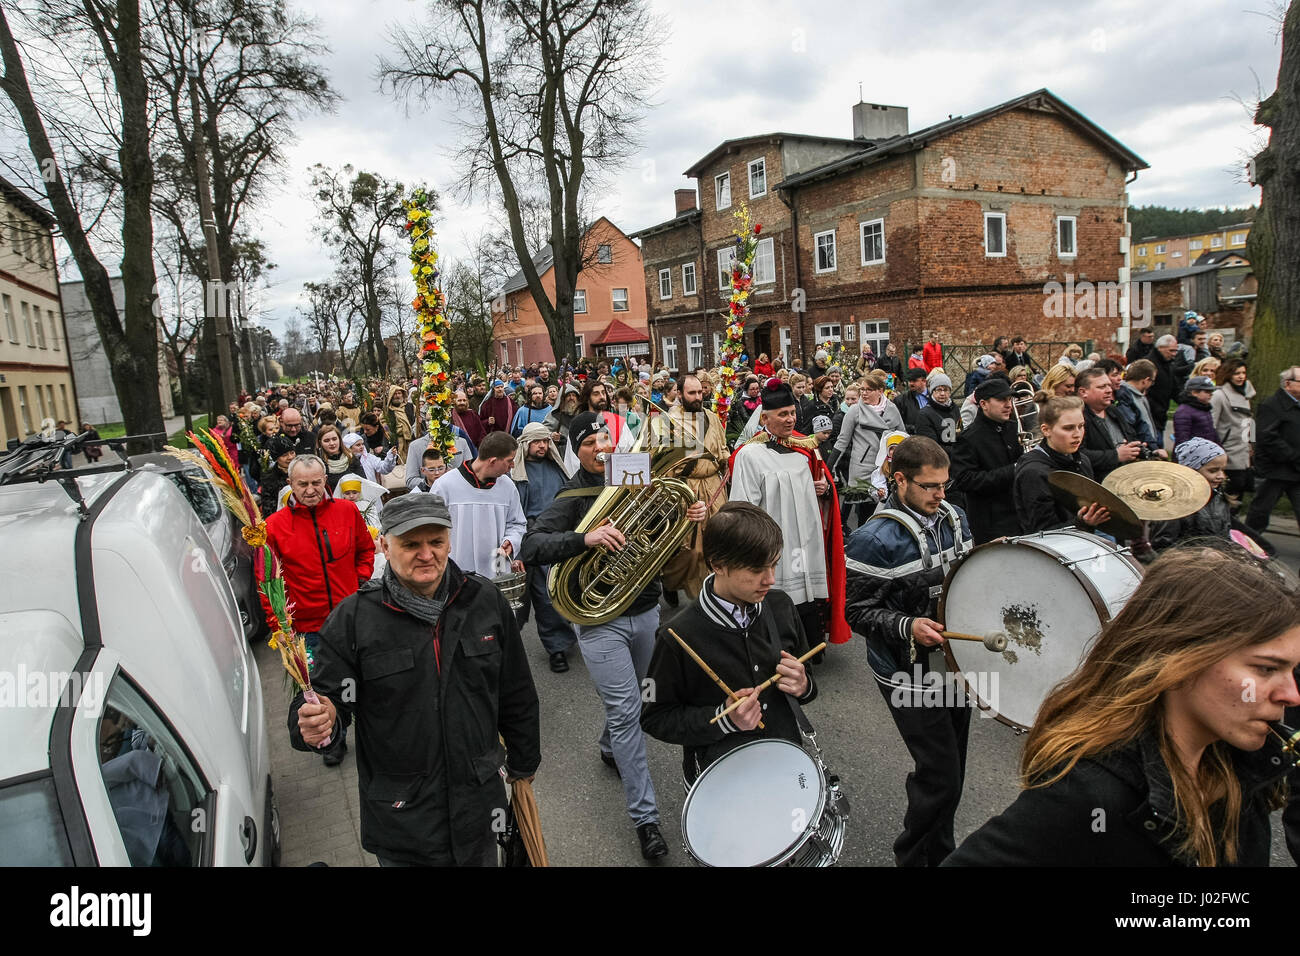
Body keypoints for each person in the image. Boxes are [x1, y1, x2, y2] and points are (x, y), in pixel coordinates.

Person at [945, 546, 1300, 866]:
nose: (1292, 695)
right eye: (1267, 669)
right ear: (1179, 658)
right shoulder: (1089, 796)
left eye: (1292, 670)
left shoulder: (1242, 763)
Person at [290, 492, 540, 866]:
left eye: (436, 542)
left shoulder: (485, 601)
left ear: (448, 541)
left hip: (478, 808)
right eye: (411, 544)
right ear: (384, 546)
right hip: (403, 820)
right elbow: (325, 700)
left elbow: (515, 692)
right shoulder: (354, 619)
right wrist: (318, 722)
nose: (427, 554)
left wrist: (523, 765)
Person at [520, 413, 707, 860]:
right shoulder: (573, 494)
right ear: (577, 449)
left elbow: (660, 534)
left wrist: (689, 514)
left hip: (644, 612)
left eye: (605, 437)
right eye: (589, 442)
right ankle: (647, 820)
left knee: (641, 698)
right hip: (599, 620)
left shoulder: (635, 476)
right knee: (627, 712)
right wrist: (585, 538)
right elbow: (531, 545)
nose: (600, 446)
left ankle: (609, 746)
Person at [844, 436, 973, 866]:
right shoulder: (872, 540)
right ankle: (915, 858)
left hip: (954, 665)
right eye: (930, 486)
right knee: (940, 776)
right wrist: (908, 625)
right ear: (899, 480)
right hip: (906, 672)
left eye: (944, 485)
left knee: (951, 771)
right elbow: (856, 613)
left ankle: (939, 852)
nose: (941, 495)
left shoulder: (955, 518)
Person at [641, 502, 816, 787]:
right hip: (719, 780)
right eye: (757, 569)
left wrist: (803, 685)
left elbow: (805, 680)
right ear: (718, 564)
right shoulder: (675, 635)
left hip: (785, 763)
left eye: (774, 564)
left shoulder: (781, 606)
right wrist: (722, 719)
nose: (770, 579)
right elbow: (654, 717)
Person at [268, 455, 376, 766]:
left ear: (325, 481)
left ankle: (370, 732)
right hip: (309, 629)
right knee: (319, 688)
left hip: (351, 619)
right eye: (303, 484)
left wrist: (359, 581)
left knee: (360, 681)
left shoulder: (346, 511)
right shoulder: (274, 527)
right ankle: (333, 740)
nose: (311, 489)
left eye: (317, 482)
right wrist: (280, 627)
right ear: (290, 484)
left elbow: (365, 549)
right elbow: (269, 584)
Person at [730, 378, 851, 648]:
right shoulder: (749, 455)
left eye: (793, 413)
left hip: (806, 540)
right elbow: (743, 507)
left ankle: (811, 645)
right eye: (782, 414)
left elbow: (821, 489)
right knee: (779, 595)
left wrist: (825, 490)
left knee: (808, 590)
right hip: (775, 543)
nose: (790, 419)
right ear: (764, 418)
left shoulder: (804, 449)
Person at [655, 374, 729, 600]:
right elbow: (662, 465)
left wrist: (726, 458)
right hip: (687, 489)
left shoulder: (711, 417)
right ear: (679, 394)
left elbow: (722, 446)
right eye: (692, 393)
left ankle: (716, 596)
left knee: (719, 543)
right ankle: (681, 588)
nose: (698, 397)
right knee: (692, 549)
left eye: (700, 392)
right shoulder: (668, 422)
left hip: (714, 487)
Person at [510, 422, 576, 672]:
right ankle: (557, 648)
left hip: (563, 534)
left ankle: (573, 633)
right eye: (537, 441)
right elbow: (515, 515)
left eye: (545, 441)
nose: (542, 446)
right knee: (545, 596)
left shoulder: (555, 468)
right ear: (526, 444)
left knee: (568, 587)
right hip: (535, 538)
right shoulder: (518, 475)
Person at [431, 431, 528, 581]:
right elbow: (431, 529)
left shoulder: (507, 486)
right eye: (510, 460)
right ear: (493, 461)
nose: (512, 465)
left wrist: (511, 541)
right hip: (457, 570)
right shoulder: (445, 485)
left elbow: (517, 523)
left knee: (494, 601)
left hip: (497, 568)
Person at [1014, 396, 1112, 534]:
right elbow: (1041, 531)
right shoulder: (1033, 472)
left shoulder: (1082, 460)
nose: (1077, 434)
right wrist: (1082, 523)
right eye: (1068, 428)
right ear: (1046, 430)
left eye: (1081, 426)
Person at [949, 377, 1023, 543]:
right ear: (983, 404)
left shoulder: (1014, 428)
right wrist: (1014, 470)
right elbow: (965, 481)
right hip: (991, 524)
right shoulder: (969, 438)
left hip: (1020, 515)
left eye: (1009, 399)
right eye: (1001, 400)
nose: (1008, 405)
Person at [830, 370, 905, 492]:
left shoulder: (892, 409)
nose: (864, 393)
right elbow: (842, 441)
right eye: (862, 390)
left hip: (887, 468)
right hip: (862, 468)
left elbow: (902, 436)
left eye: (868, 390)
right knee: (863, 508)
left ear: (880, 391)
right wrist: (830, 468)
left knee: (885, 508)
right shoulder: (855, 411)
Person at [1245, 366, 1300, 532]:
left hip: (1296, 470)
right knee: (1260, 512)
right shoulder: (1271, 405)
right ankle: (1248, 544)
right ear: (1288, 384)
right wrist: (1292, 455)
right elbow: (1266, 436)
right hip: (1274, 470)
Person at [1075, 367, 1143, 483]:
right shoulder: (1076, 417)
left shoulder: (1113, 411)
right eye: (1102, 387)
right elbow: (1077, 454)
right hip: (1097, 484)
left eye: (1109, 385)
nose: (1109, 390)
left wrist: (1137, 448)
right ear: (1083, 392)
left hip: (1125, 479)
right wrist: (1115, 455)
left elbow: (1130, 435)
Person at [1211, 358, 1257, 503]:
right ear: (1228, 374)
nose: (1241, 376)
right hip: (1226, 451)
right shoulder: (1219, 395)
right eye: (1237, 373)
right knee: (1228, 493)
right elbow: (1212, 424)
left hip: (1243, 453)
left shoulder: (1246, 396)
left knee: (1240, 492)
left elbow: (1250, 421)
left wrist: (1252, 443)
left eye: (1243, 373)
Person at [1111, 358, 1164, 457]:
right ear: (1146, 380)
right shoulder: (1126, 396)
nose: (1151, 385)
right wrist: (1151, 447)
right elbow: (1135, 425)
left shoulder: (1138, 396)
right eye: (1152, 381)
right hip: (1138, 449)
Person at [1148, 334, 1192, 435]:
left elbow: (1175, 390)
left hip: (1161, 415)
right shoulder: (1150, 365)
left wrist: (1189, 402)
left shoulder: (1168, 365)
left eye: (1176, 350)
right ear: (1160, 348)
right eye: (1171, 350)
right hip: (1152, 416)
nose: (1174, 354)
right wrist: (1157, 410)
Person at [1173, 375, 1220, 448]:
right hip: (1193, 455)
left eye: (1212, 391)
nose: (1211, 394)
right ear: (1194, 392)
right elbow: (1182, 439)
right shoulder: (1184, 412)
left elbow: (1212, 432)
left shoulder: (1205, 408)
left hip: (1207, 452)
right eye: (1207, 391)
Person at [316, 424, 365, 492]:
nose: (332, 443)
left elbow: (363, 481)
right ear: (320, 442)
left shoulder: (351, 458)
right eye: (327, 440)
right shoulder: (319, 464)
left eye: (334, 439)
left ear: (339, 439)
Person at [256, 437, 297, 518]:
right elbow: (269, 509)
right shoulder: (270, 478)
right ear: (276, 458)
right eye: (284, 455)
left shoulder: (304, 470)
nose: (290, 457)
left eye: (292, 452)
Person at [894, 368, 929, 434]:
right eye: (909, 381)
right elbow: (897, 424)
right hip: (912, 438)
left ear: (924, 381)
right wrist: (915, 428)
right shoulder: (901, 400)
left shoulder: (934, 397)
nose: (911, 383)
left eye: (914, 381)